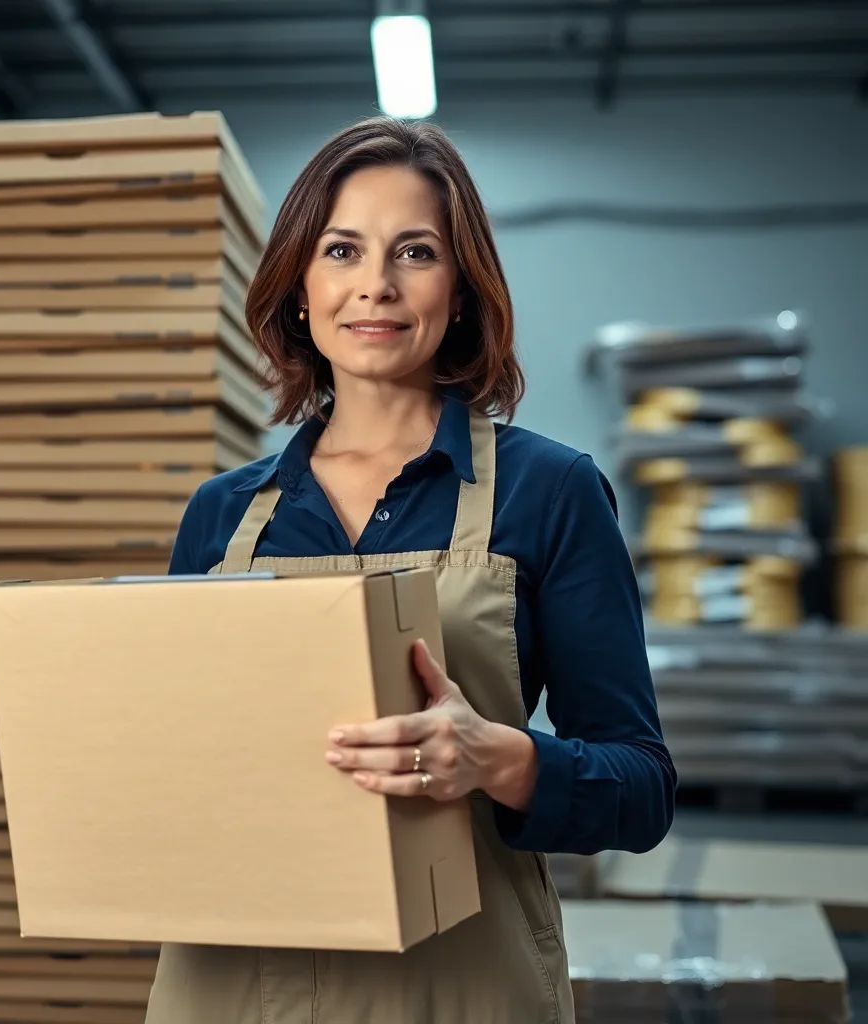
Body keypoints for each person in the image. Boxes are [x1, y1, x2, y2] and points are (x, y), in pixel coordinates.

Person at [146, 116, 677, 1024]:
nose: (376, 287)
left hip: (461, 984)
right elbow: (169, 768)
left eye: (416, 252)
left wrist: (503, 760)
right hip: (236, 985)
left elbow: (642, 787)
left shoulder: (551, 493)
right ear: (301, 291)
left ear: (461, 291)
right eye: (342, 250)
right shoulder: (222, 517)